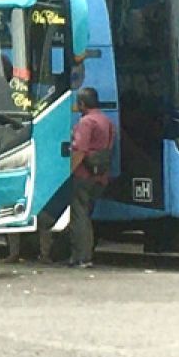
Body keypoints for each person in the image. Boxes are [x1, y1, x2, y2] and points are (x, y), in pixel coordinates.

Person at [66, 86, 115, 268]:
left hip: (83, 175)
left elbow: (80, 150)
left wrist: (69, 171)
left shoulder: (86, 123)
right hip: (100, 176)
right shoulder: (106, 121)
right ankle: (86, 255)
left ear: (82, 104)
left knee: (79, 216)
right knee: (86, 214)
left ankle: (81, 257)